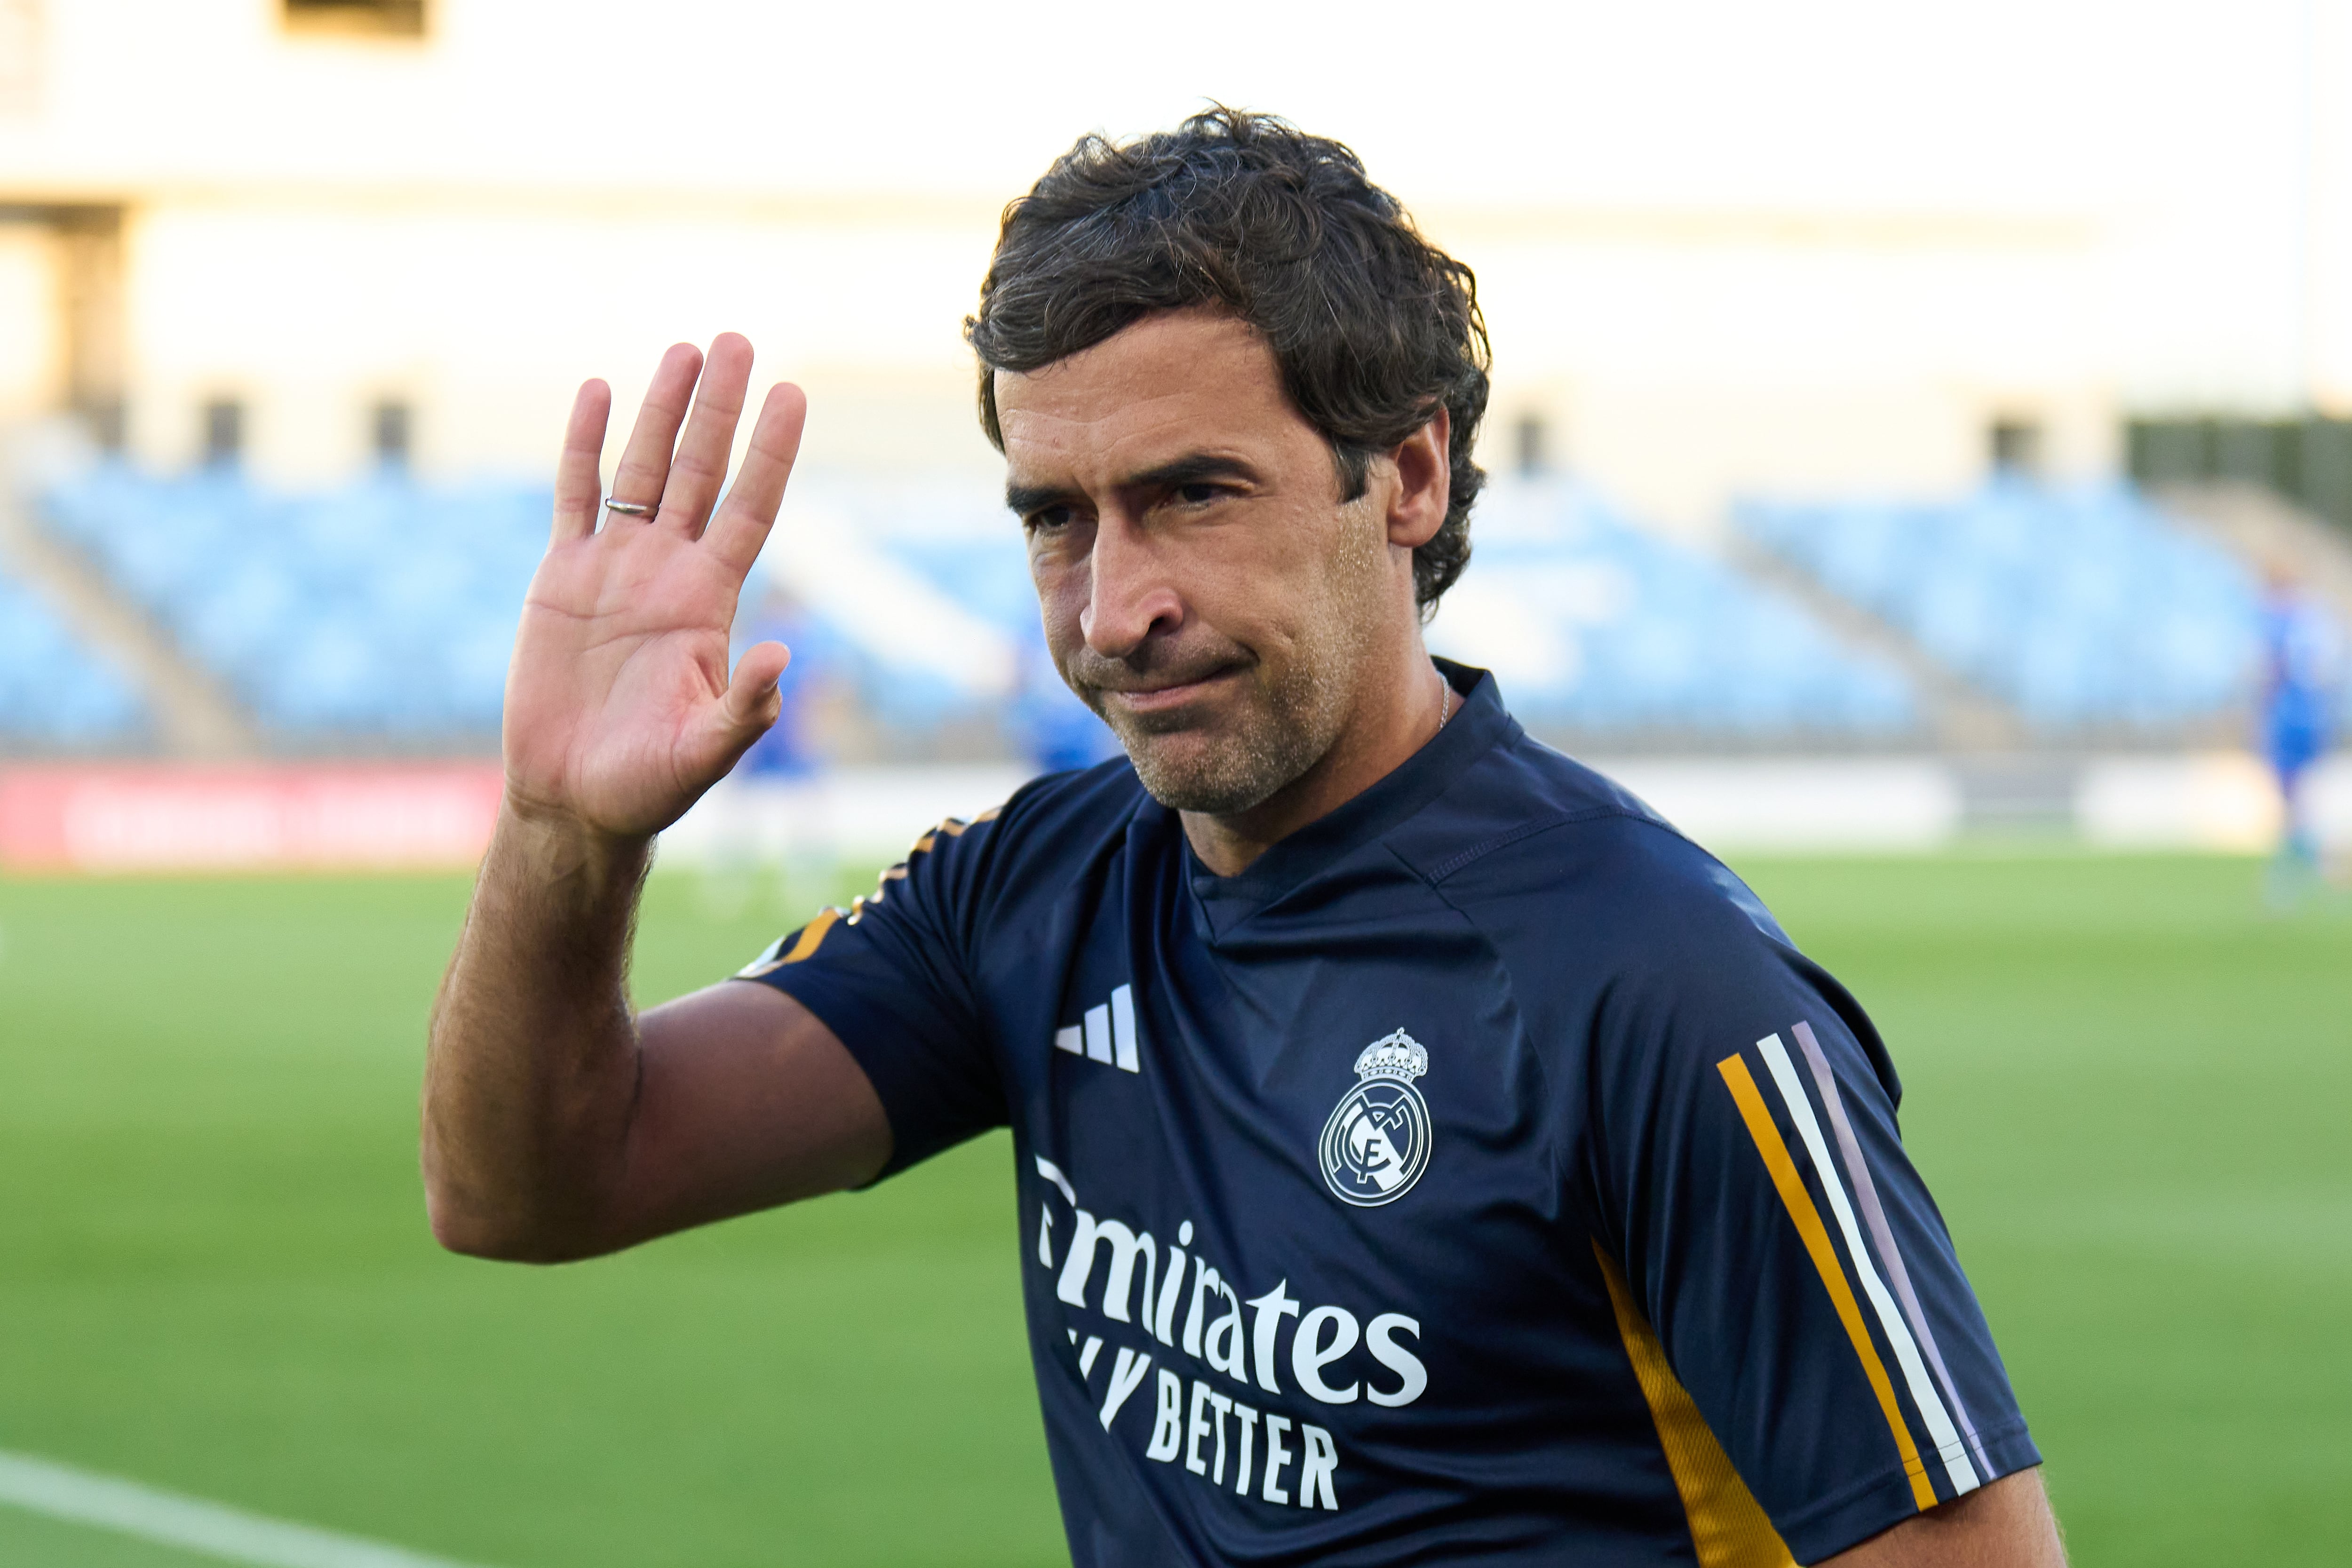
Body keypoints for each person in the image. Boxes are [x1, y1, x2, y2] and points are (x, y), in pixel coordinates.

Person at [424, 111, 2066, 1566]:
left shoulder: (1659, 990)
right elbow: (533, 1184)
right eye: (1058, 519)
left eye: (1195, 494)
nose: (1115, 608)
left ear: (1407, 472)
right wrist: (564, 832)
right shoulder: (1031, 889)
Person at [2257, 566, 2341, 904]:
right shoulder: (2316, 619)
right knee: (2301, 799)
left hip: (2287, 719)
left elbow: (2271, 672)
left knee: (2293, 799)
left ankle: (2313, 867)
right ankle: (2314, 866)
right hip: (2314, 717)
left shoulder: (2278, 623)